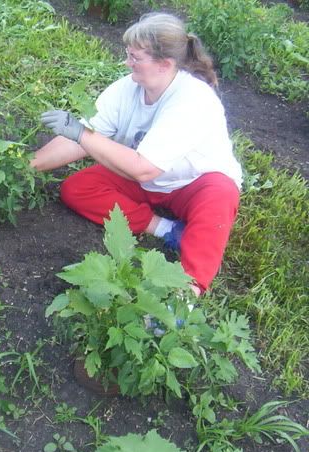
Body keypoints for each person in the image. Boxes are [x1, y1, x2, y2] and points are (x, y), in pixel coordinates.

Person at [35, 13, 242, 296]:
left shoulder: (193, 100)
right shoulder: (126, 90)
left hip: (193, 182)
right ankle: (166, 229)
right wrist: (26, 166)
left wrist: (81, 133)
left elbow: (143, 168)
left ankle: (186, 294)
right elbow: (81, 140)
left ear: (165, 64)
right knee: (77, 188)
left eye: (135, 57)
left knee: (220, 198)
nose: (126, 63)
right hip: (144, 179)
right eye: (128, 54)